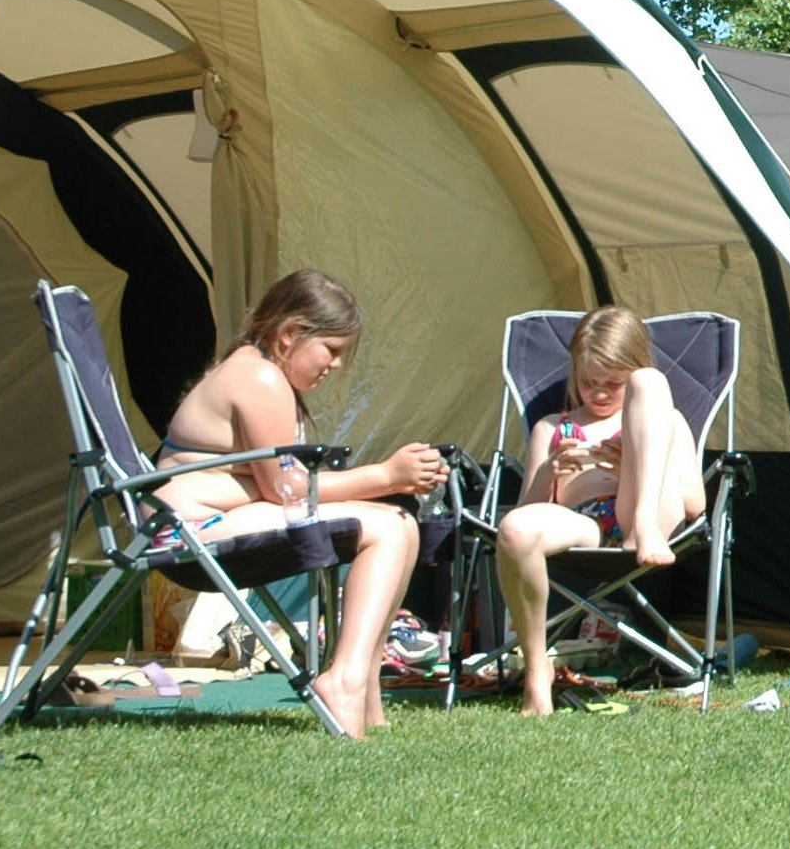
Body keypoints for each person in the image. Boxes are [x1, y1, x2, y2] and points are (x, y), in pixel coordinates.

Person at [155, 268, 444, 737]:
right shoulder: (259, 378)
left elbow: (279, 486)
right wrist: (385, 476)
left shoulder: (256, 368)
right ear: (289, 335)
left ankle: (364, 681)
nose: (333, 366)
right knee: (389, 526)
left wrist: (391, 484)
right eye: (330, 351)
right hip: (186, 534)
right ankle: (345, 679)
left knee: (400, 522)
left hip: (214, 520)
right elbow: (285, 491)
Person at [494, 306, 709, 716]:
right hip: (584, 523)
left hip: (647, 516)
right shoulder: (552, 427)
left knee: (652, 384)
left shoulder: (665, 419)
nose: (599, 393)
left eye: (613, 384)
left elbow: (694, 505)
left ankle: (642, 523)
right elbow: (524, 514)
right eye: (589, 381)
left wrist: (632, 466)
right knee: (515, 530)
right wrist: (547, 473)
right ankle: (538, 670)